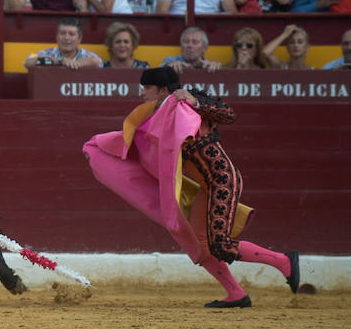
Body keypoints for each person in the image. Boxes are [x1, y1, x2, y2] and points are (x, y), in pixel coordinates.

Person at [84, 66, 301, 308]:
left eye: (147, 88)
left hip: (223, 181)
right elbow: (135, 140)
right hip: (207, 186)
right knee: (199, 244)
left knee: (220, 244)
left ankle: (284, 262)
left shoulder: (185, 105)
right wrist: (102, 150)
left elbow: (228, 114)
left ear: (164, 89)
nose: (142, 93)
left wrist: (195, 101)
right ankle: (236, 293)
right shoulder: (158, 113)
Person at [24, 17, 102, 70]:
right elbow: (28, 63)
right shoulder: (49, 53)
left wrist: (73, 64)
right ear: (56, 37)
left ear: (79, 39)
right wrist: (61, 61)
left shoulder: (85, 55)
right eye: (62, 33)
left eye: (71, 34)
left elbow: (96, 62)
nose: (66, 38)